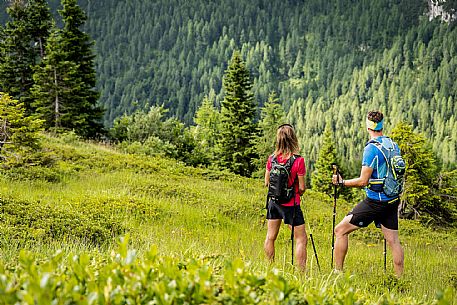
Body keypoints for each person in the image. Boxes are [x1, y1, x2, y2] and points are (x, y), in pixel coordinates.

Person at [332, 110, 404, 276]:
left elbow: (363, 181)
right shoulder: (393, 144)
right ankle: (400, 279)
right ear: (381, 125)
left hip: (375, 201)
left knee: (340, 230)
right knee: (393, 241)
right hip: (392, 199)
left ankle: (338, 273)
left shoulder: (371, 149)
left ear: (367, 126)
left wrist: (342, 182)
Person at [264, 124, 307, 270]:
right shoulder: (298, 160)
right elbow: (301, 188)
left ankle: (269, 267)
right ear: (293, 139)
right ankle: (301, 273)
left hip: (274, 202)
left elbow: (266, 182)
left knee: (270, 237)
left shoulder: (272, 159)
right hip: (291, 205)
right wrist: (299, 191)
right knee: (301, 239)